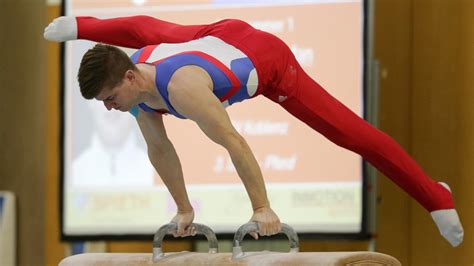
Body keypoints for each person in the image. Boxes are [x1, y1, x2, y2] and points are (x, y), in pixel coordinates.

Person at [44, 15, 463, 246]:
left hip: (265, 60)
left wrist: (262, 207)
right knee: (147, 33)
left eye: (109, 96)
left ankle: (434, 196)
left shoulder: (183, 88)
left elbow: (235, 143)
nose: (108, 107)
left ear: (131, 80)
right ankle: (81, 25)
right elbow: (162, 151)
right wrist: (184, 209)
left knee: (348, 133)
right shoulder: (136, 91)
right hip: (216, 34)